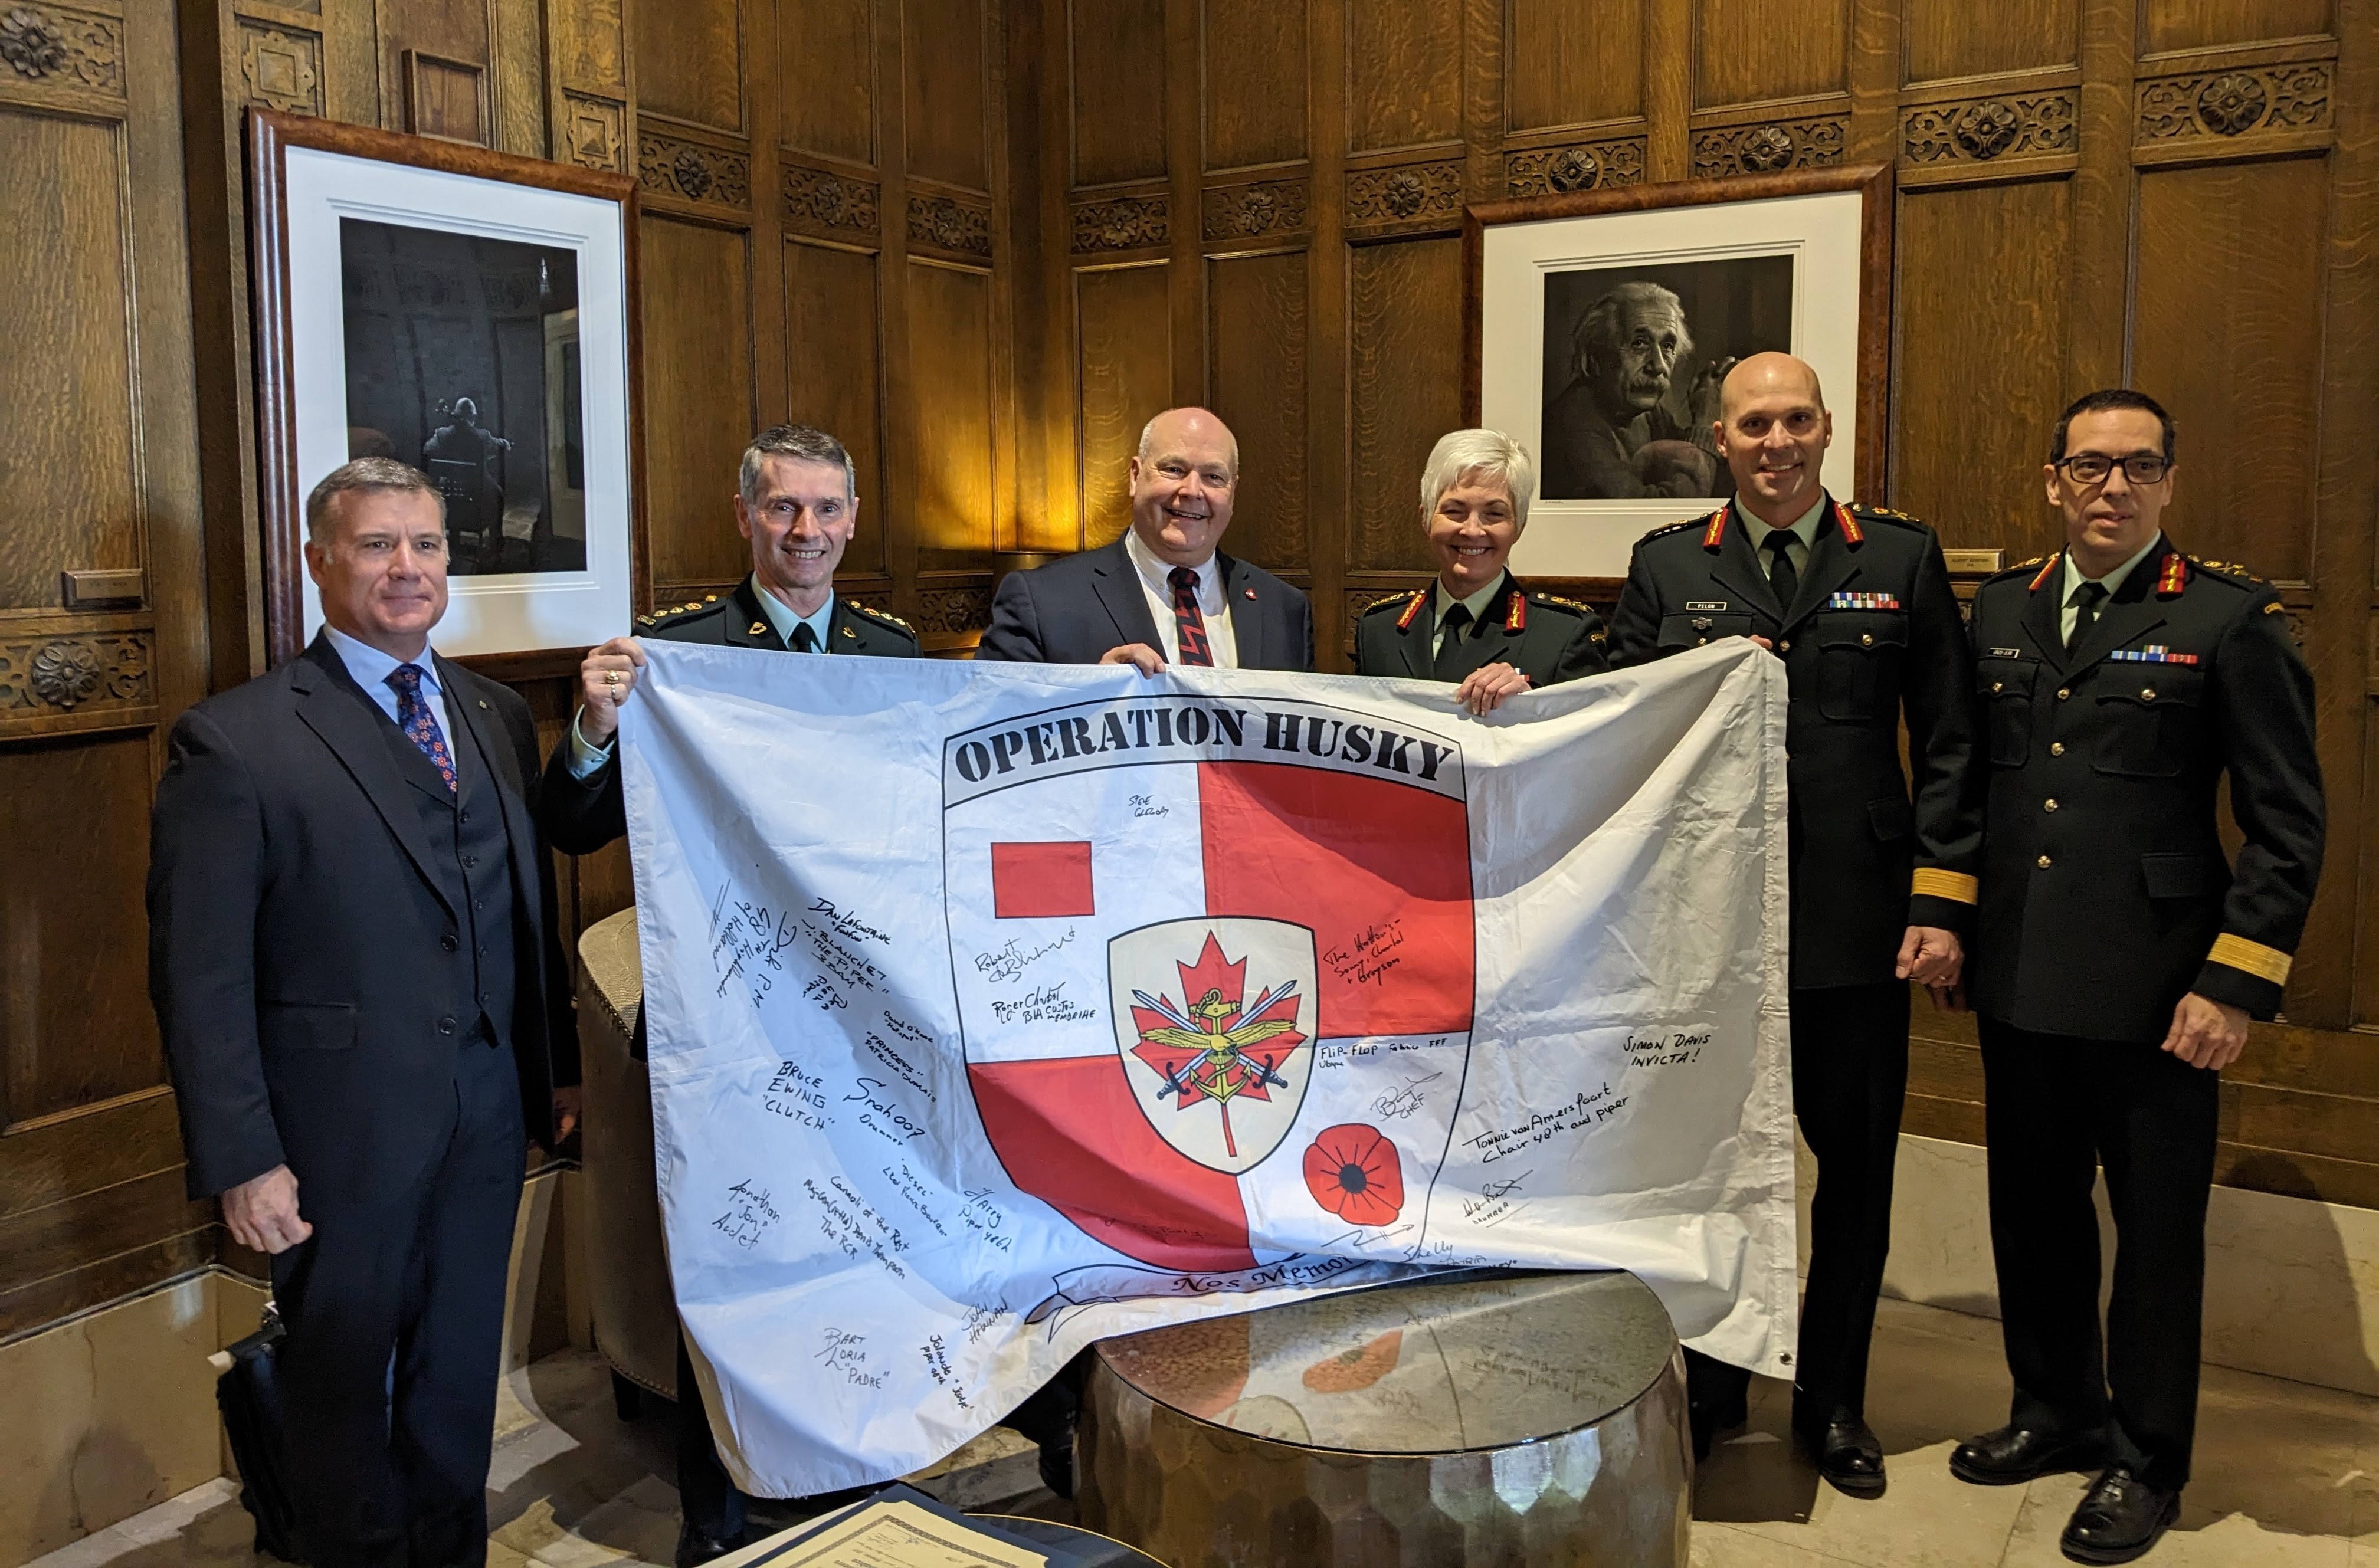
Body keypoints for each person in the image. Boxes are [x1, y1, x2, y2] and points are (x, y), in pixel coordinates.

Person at [148, 457, 580, 1568]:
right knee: (339, 1393)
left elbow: (523, 906)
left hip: (485, 1114)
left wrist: (554, 1072)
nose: (407, 568)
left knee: (454, 1380)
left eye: (426, 545)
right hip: (334, 1135)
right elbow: (198, 976)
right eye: (378, 545)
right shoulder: (234, 740)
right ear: (319, 561)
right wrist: (245, 1157)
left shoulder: (488, 712)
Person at [1951, 390, 2322, 1564]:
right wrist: (1948, 921)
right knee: (2035, 1212)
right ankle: (2055, 1411)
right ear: (2054, 481)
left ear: (2170, 483)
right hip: (2020, 978)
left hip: (2165, 994)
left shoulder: (2228, 620)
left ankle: (2146, 1459)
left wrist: (2236, 984)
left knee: (2157, 1237)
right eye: (2091, 467)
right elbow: (1975, 787)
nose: (2114, 487)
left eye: (2139, 467)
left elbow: (2287, 827)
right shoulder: (2003, 608)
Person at [539, 424, 916, 1566]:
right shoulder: (673, 652)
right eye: (782, 509)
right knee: (733, 1261)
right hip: (723, 1020)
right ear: (746, 515)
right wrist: (596, 729)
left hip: (859, 1021)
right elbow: (571, 825)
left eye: (826, 510)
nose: (805, 532)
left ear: (854, 519)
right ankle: (719, 1500)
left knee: (864, 1249)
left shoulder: (893, 655)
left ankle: (864, 1459)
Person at [1608, 352, 1980, 1495]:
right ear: (1719, 439)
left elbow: (1954, 743)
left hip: (1856, 931)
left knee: (1856, 1174)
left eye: (1797, 421)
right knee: (1712, 1174)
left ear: (1828, 432)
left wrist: (1940, 903)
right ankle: (1717, 1390)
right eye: (1754, 424)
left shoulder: (1902, 557)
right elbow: (1615, 720)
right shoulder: (1670, 565)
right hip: (1707, 934)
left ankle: (1835, 1404)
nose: (1778, 442)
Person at [975, 406, 1313, 671]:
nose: (1192, 491)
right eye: (1174, 470)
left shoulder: (1285, 609)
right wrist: (1087, 702)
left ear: (1233, 492)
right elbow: (983, 733)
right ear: (1136, 476)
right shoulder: (1041, 602)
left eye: (1213, 477)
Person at [1355, 428, 1608, 709]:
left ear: (1519, 527)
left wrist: (1529, 699)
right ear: (1426, 518)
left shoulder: (1564, 632)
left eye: (1494, 514)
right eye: (1454, 511)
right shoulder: (1379, 628)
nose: (1472, 530)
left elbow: (1591, 738)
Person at [1541, 280, 1729, 500]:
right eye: (1640, 343)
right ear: (1595, 358)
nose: (1658, 366)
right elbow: (1664, 512)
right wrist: (1705, 425)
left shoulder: (1647, 413)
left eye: (1667, 346)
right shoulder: (1574, 428)